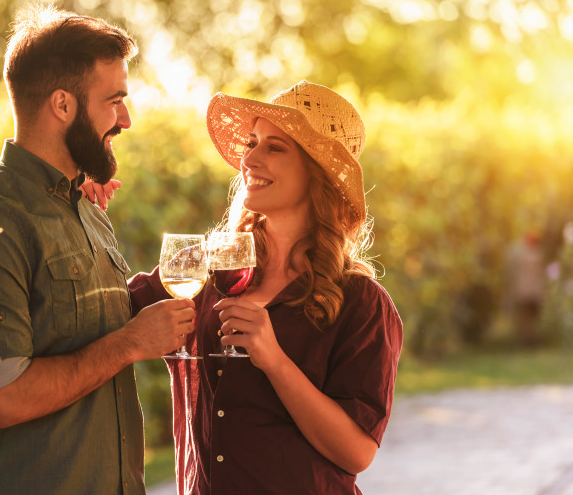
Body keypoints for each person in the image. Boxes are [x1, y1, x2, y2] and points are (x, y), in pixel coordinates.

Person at [0, 5, 196, 495]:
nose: (127, 119)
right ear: (62, 105)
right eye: (114, 100)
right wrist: (132, 343)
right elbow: (6, 398)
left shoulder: (87, 206)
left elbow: (83, 324)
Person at [127, 80, 404, 494]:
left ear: (317, 173)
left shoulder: (361, 303)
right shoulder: (205, 265)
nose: (249, 159)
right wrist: (84, 203)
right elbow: (110, 310)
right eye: (252, 142)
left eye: (275, 147)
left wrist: (273, 359)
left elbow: (356, 452)